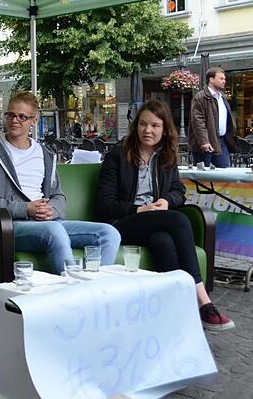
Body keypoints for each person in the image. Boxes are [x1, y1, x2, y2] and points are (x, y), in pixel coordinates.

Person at [96, 99, 235, 331]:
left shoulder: (166, 156)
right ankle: (202, 299)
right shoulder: (117, 156)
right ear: (136, 126)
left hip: (155, 224)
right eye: (143, 124)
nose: (147, 130)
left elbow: (178, 192)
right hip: (122, 225)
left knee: (163, 241)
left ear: (164, 129)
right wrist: (140, 209)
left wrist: (165, 201)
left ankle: (172, 314)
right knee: (179, 219)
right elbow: (104, 204)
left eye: (154, 125)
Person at [0, 91, 121, 274]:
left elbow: (58, 195)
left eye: (22, 116)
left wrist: (52, 210)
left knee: (109, 234)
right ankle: (74, 293)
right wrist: (25, 208)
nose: (14, 120)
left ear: (34, 121)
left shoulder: (45, 154)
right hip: (12, 224)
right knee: (54, 231)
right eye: (10, 115)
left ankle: (98, 291)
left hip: (48, 221)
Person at [189, 67, 237, 168]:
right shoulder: (200, 97)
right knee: (202, 173)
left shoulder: (222, 97)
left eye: (224, 79)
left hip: (221, 140)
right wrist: (204, 141)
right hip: (205, 142)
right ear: (211, 79)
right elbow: (198, 122)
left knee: (225, 171)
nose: (224, 81)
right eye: (221, 79)